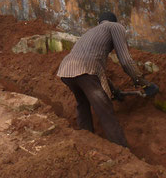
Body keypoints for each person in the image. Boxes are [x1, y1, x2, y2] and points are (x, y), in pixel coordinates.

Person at [56, 11, 158, 148]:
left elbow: (97, 75)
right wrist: (144, 83)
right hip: (85, 70)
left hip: (66, 71)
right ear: (113, 21)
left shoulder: (90, 33)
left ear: (99, 23)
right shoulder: (115, 27)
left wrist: (115, 91)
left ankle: (85, 141)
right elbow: (126, 61)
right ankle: (121, 150)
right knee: (105, 110)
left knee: (83, 103)